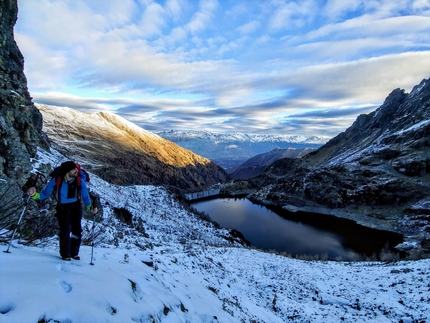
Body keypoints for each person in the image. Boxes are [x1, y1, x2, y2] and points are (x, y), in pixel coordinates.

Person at [27, 161, 98, 261]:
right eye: (73, 169)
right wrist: (34, 195)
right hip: (62, 208)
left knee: (76, 230)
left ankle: (74, 253)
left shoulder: (79, 181)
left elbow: (86, 197)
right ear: (66, 171)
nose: (76, 171)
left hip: (75, 207)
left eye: (76, 169)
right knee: (65, 230)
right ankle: (65, 254)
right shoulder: (56, 180)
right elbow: (44, 194)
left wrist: (90, 207)